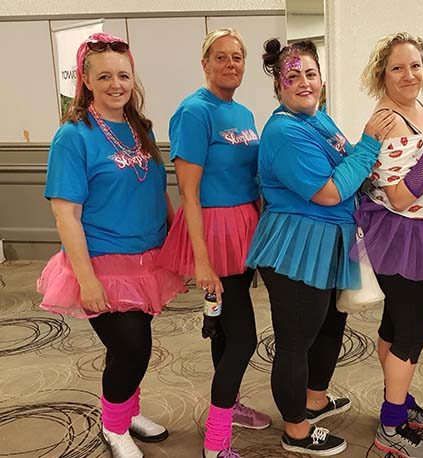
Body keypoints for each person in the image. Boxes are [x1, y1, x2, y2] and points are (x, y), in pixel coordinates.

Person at [37, 32, 186, 458]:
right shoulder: (73, 136)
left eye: (123, 75)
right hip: (101, 263)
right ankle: (114, 426)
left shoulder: (140, 127)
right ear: (85, 81)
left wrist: (178, 250)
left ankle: (127, 409)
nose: (116, 84)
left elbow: (159, 193)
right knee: (132, 349)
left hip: (148, 262)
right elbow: (66, 213)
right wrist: (86, 280)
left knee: (130, 348)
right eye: (104, 76)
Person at [246, 38, 395, 456]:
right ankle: (295, 430)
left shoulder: (319, 119)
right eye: (293, 76)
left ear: (322, 81)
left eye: (310, 74)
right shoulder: (283, 131)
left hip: (330, 242)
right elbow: (329, 192)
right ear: (279, 87)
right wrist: (368, 145)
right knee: (296, 339)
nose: (304, 82)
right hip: (296, 246)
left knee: (331, 325)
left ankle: (314, 401)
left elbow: (348, 173)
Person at [156, 28, 270, 458]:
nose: (230, 64)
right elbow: (188, 192)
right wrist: (202, 261)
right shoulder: (193, 111)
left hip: (245, 223)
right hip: (213, 229)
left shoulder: (243, 113)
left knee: (224, 326)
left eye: (237, 57)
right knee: (244, 338)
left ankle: (232, 401)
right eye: (220, 57)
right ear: (204, 63)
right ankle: (216, 441)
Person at [358, 32, 423, 458]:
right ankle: (392, 425)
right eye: (398, 67)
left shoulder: (415, 107)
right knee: (412, 331)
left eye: (415, 66)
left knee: (396, 326)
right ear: (382, 73)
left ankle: (398, 403)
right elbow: (401, 195)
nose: (408, 74)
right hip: (405, 235)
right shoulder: (389, 119)